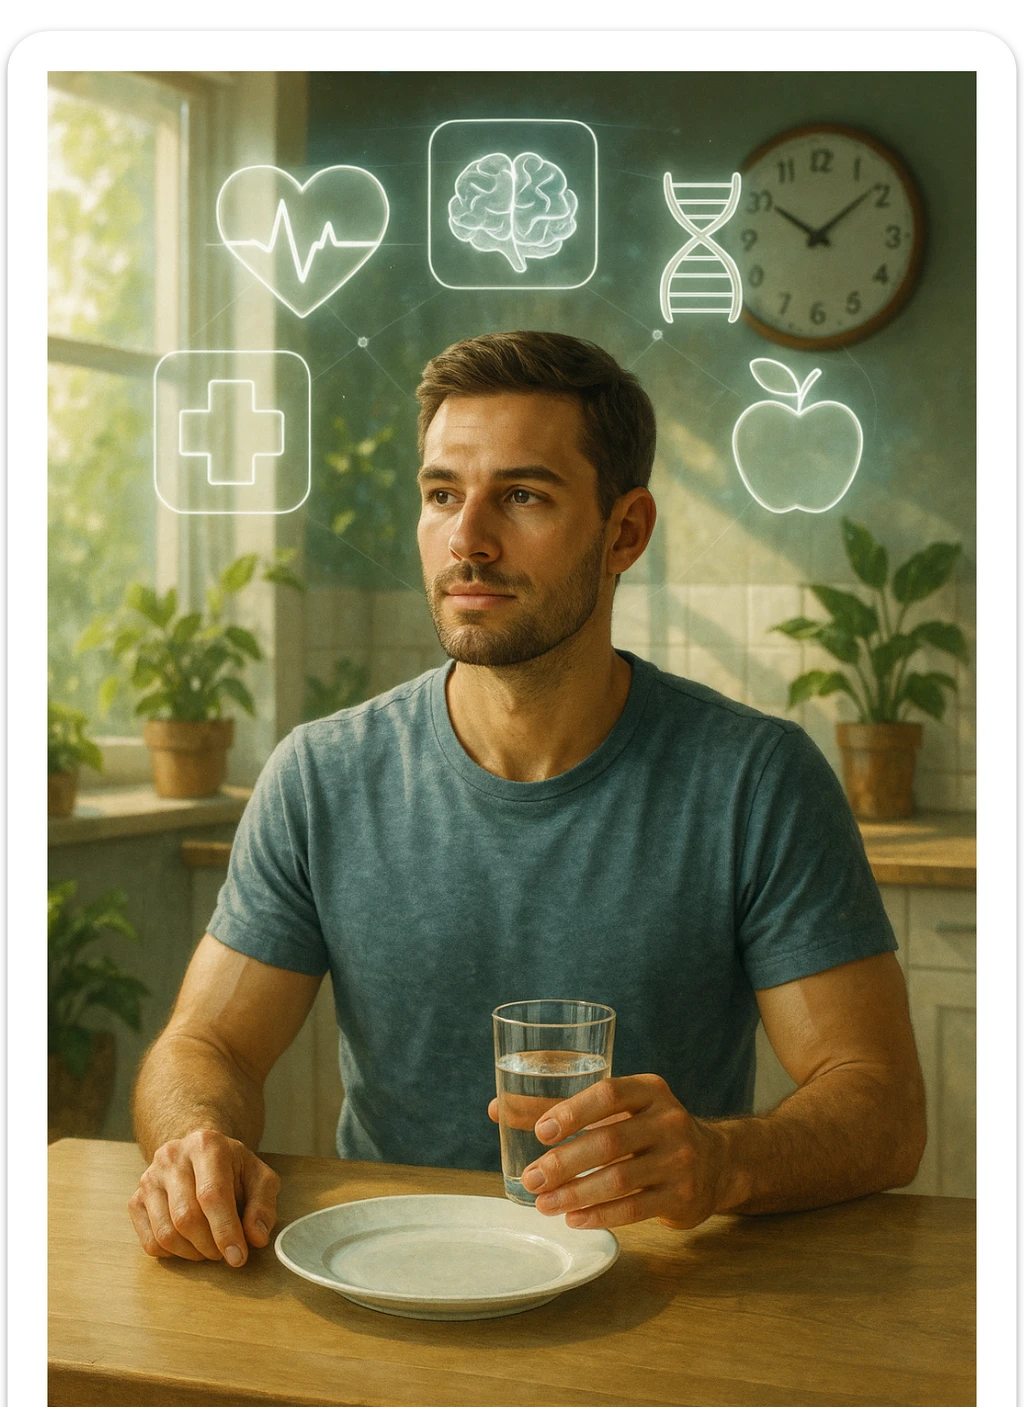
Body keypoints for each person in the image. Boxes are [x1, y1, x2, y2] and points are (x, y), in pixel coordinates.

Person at [129, 331, 926, 1268]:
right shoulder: (321, 776)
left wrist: (719, 1160)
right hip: (386, 1279)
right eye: (441, 495)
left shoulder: (755, 781)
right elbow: (205, 1046)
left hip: (663, 1299)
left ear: (624, 531)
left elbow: (880, 1104)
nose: (467, 538)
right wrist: (197, 1142)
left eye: (522, 495)